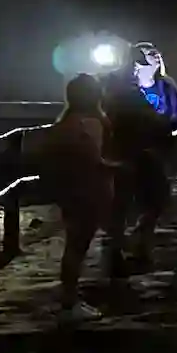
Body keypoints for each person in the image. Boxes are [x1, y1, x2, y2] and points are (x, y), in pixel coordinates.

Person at [42, 74, 124, 321]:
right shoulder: (87, 124)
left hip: (72, 190)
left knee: (75, 244)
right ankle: (69, 300)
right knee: (78, 245)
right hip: (88, 190)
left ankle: (69, 294)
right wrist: (119, 167)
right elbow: (93, 160)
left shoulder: (65, 123)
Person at [102, 42, 177, 271]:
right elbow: (116, 115)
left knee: (156, 201)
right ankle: (117, 252)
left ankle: (141, 245)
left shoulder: (164, 86)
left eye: (155, 53)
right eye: (146, 55)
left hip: (155, 151)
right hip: (126, 151)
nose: (153, 57)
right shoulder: (120, 88)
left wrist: (169, 131)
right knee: (122, 204)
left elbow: (174, 115)